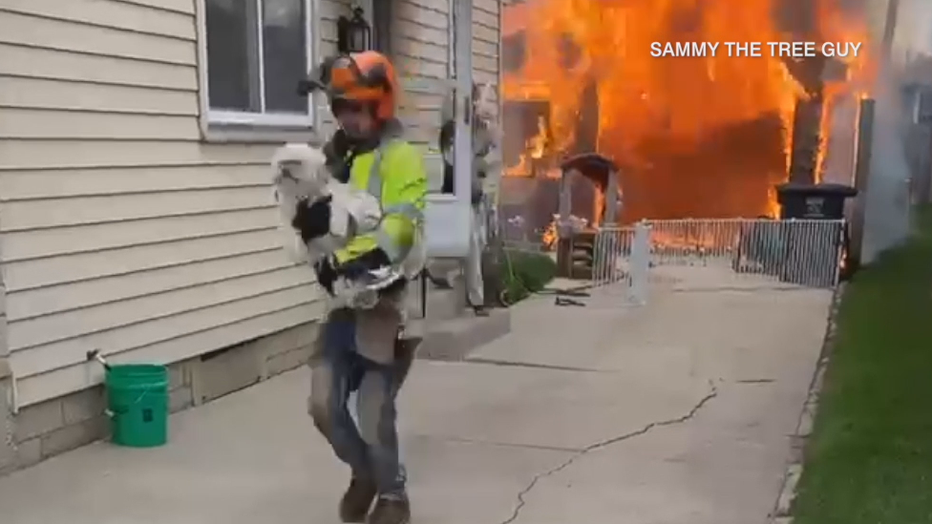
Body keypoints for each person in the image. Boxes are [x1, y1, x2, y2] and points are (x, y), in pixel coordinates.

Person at [292, 51, 427, 524]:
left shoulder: (402, 157)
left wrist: (353, 260)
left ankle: (393, 497)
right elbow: (319, 219)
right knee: (323, 404)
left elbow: (400, 228)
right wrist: (305, 223)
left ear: (381, 105)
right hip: (342, 304)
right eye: (340, 107)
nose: (347, 117)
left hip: (386, 304)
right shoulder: (332, 159)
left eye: (356, 107)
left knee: (372, 410)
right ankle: (365, 474)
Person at [436, 83, 499, 316]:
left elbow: (489, 149)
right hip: (456, 199)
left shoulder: (473, 130)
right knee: (471, 245)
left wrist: (487, 127)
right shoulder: (450, 133)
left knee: (479, 243)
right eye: (470, 101)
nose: (474, 105)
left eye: (475, 100)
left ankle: (448, 274)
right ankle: (477, 300)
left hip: (474, 198)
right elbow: (456, 160)